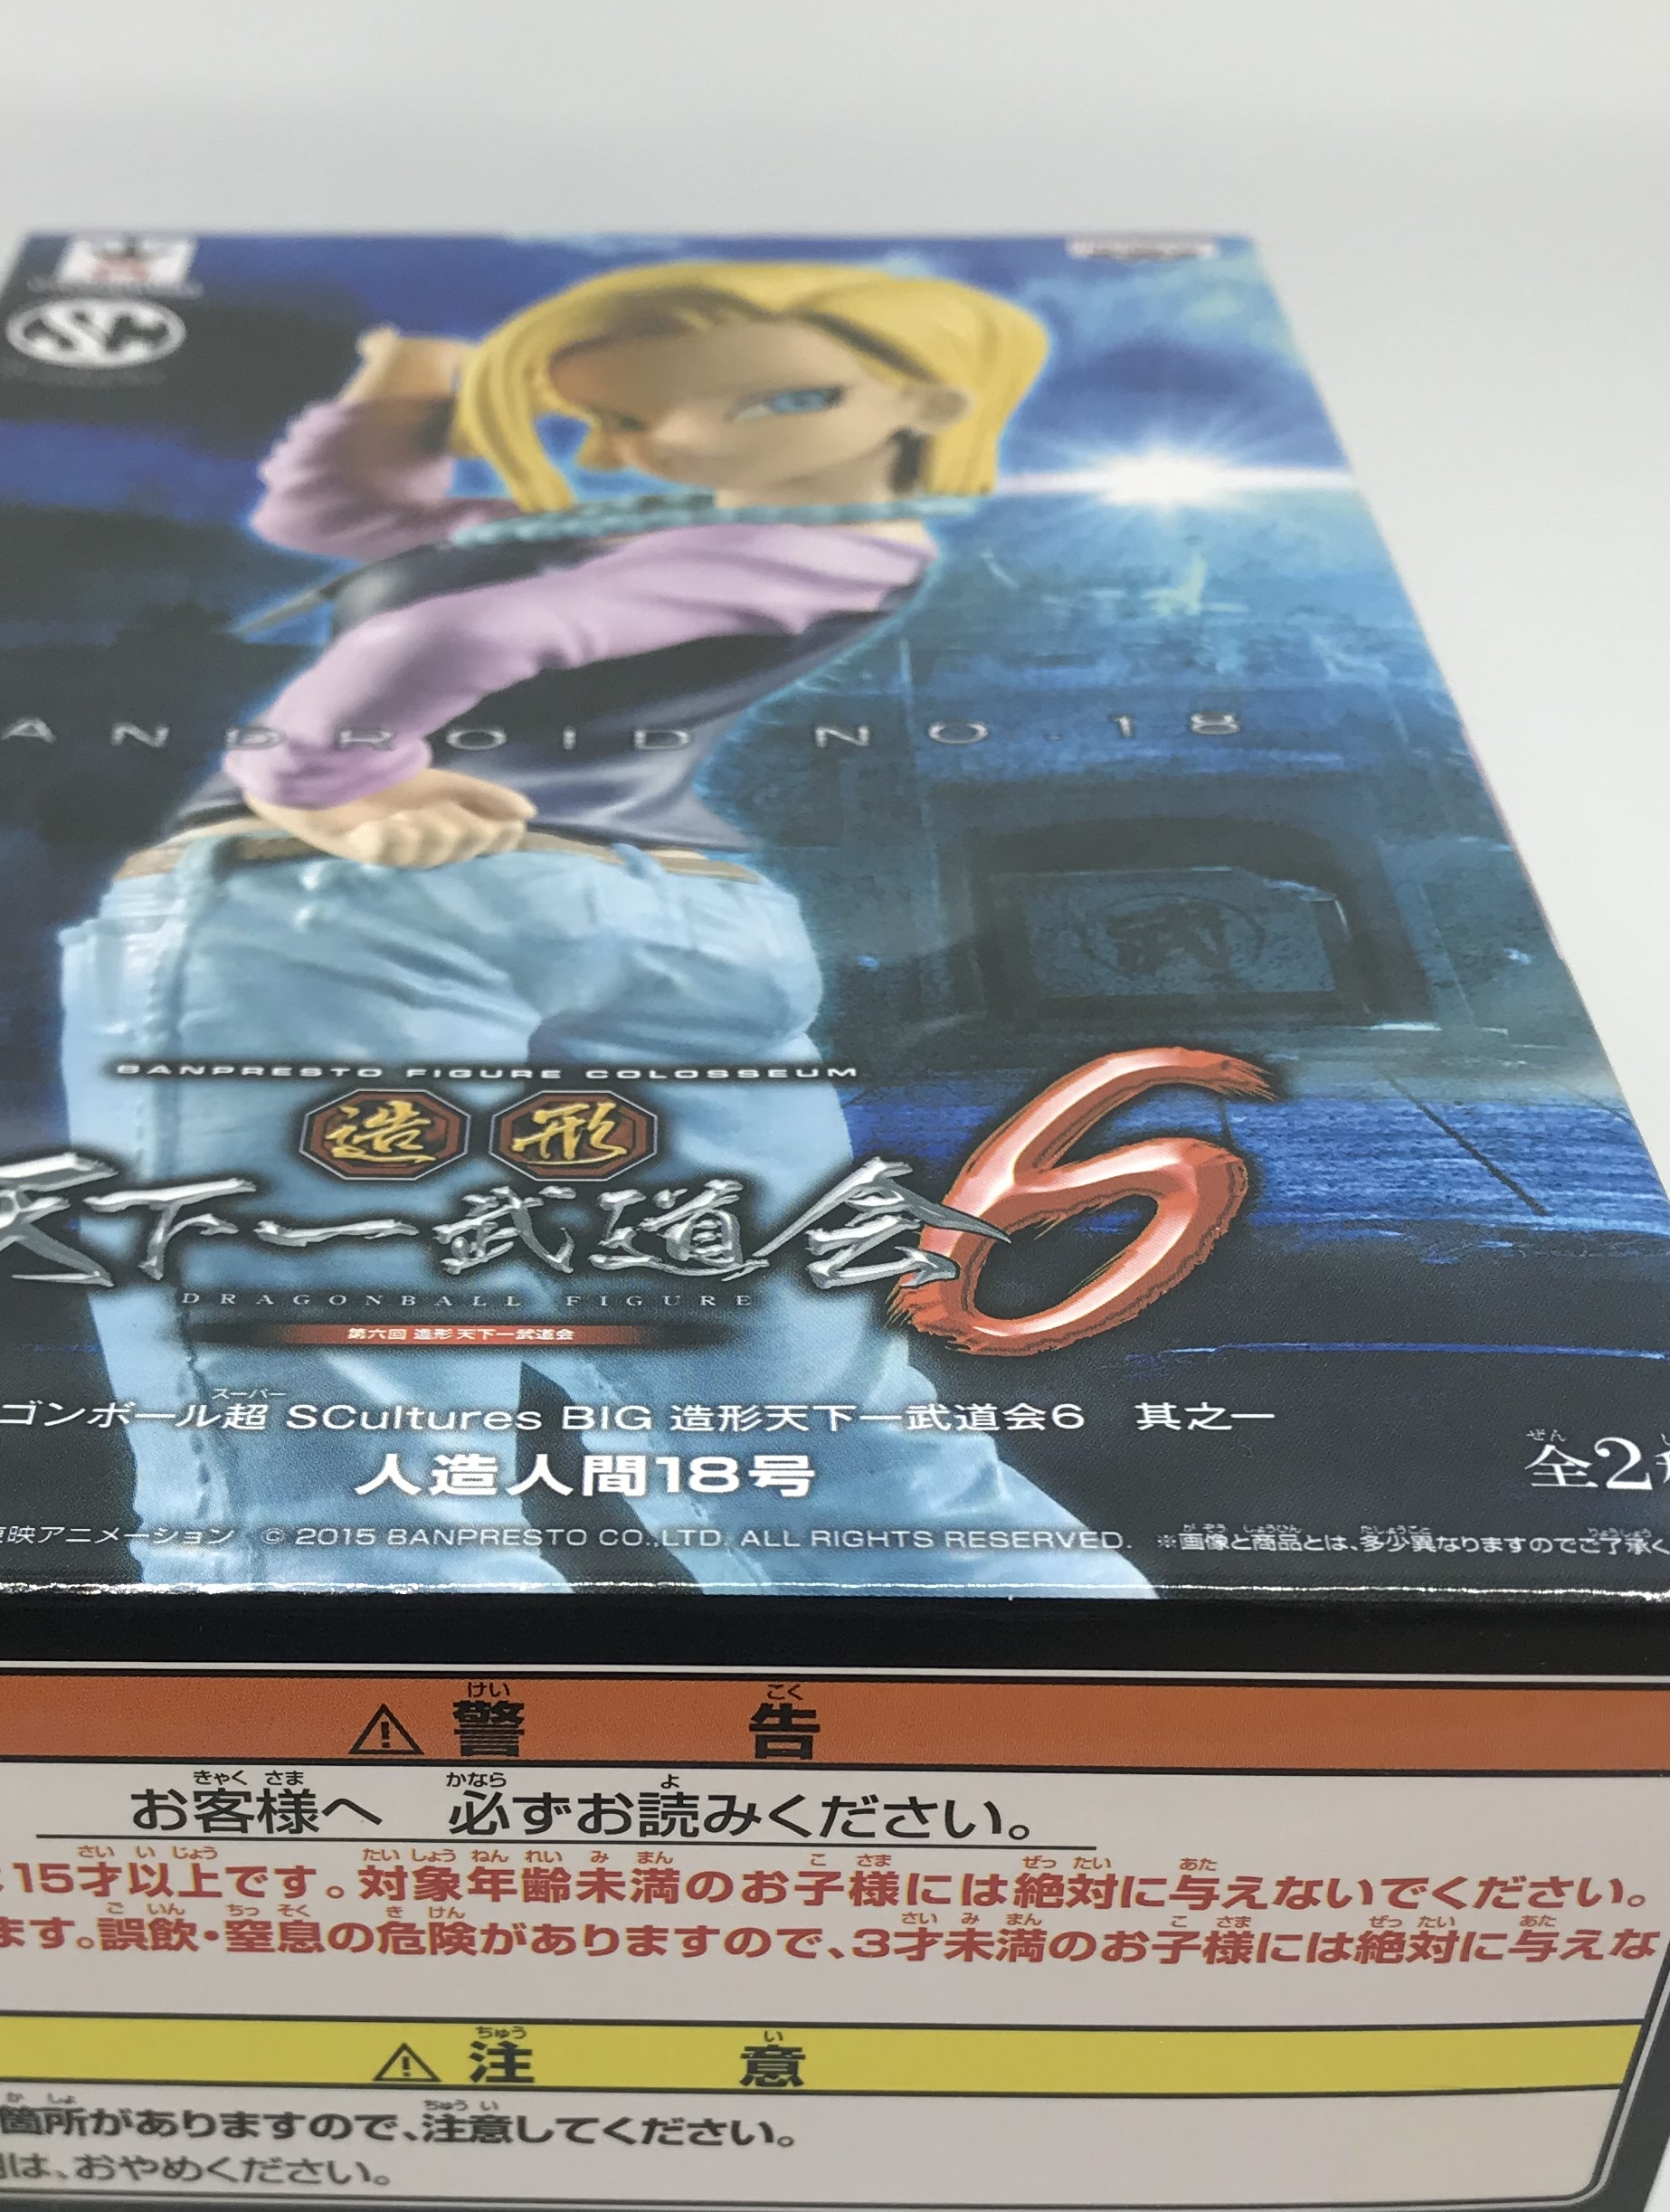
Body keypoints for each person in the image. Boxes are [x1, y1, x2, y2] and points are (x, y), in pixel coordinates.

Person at [59, 259, 1148, 1593]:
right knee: (821, 1453)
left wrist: (327, 777)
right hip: (677, 926)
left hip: (375, 917)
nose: (674, 442)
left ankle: (389, 1729)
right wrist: (407, 390)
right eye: (626, 419)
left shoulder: (823, 541)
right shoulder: (669, 529)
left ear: (925, 402)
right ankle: (1087, 1694)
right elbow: (346, 516)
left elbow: (471, 633)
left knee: (340, 1487)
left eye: (771, 400)